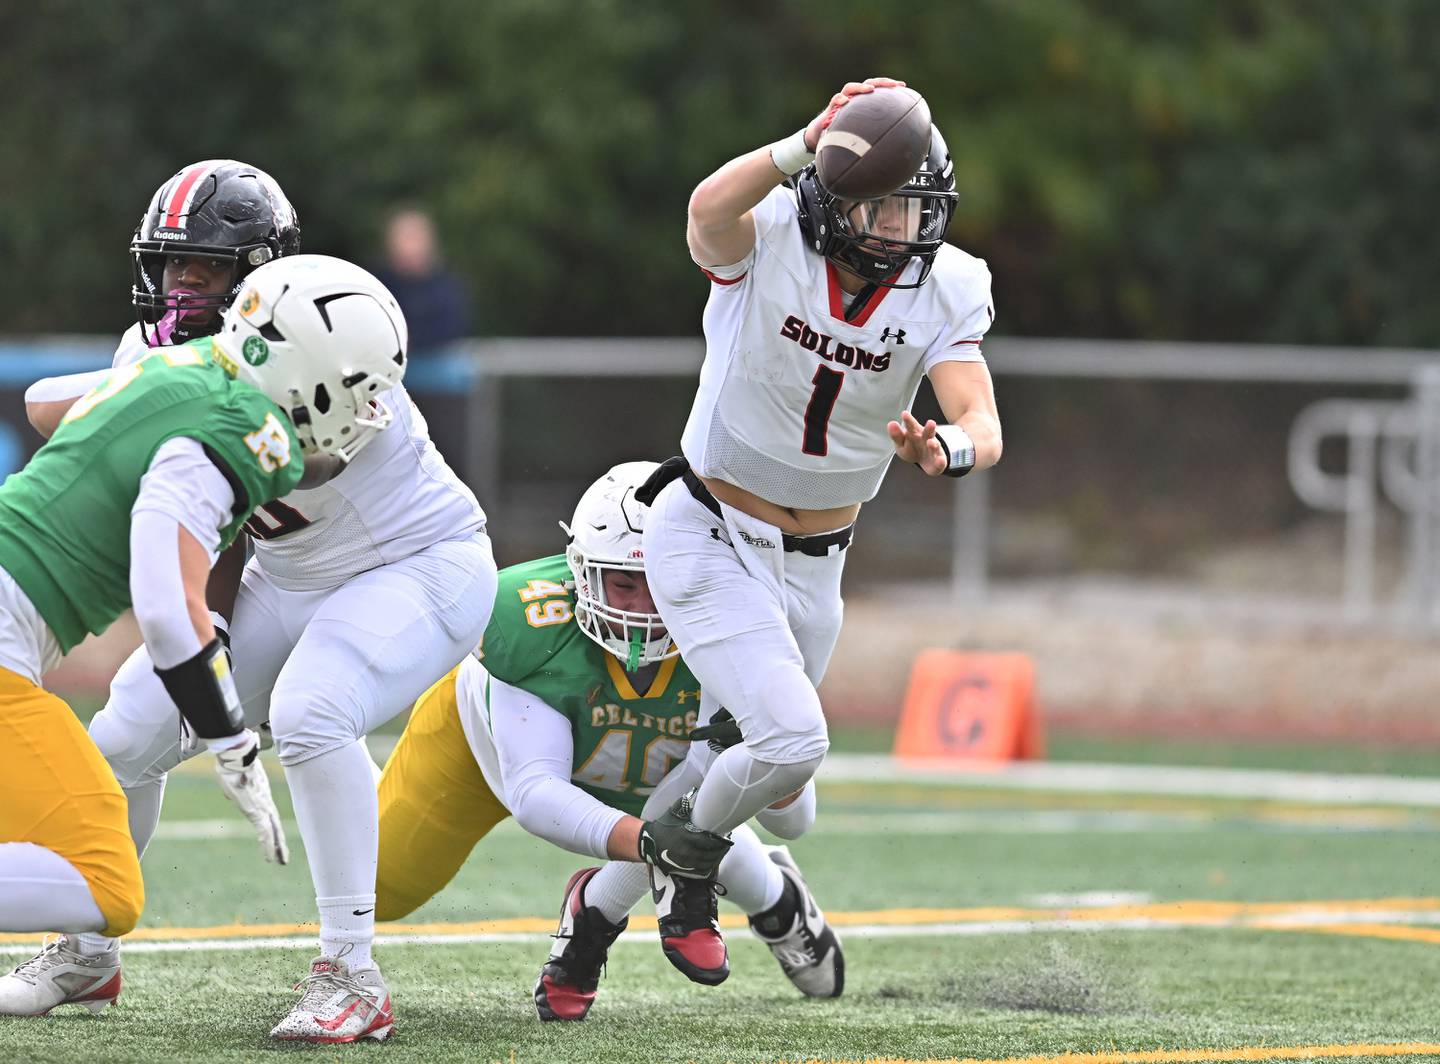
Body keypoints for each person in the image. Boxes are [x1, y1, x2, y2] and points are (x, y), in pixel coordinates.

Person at [6, 230, 496, 1043]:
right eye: (175, 265)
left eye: (210, 268)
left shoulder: (332, 355)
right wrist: (147, 381)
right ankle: (86, 952)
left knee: (313, 710)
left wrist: (164, 385)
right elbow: (71, 417)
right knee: (127, 734)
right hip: (290, 574)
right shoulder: (175, 355)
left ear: (260, 285)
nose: (186, 286)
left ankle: (353, 971)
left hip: (419, 563)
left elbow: (261, 468)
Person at [633, 77, 1004, 949]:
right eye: (880, 208)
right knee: (790, 739)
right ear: (833, 198)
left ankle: (734, 855)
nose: (899, 230)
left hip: (820, 561)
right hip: (713, 527)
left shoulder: (947, 286)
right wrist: (805, 140)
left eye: (915, 211)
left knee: (793, 807)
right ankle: (679, 874)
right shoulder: (770, 236)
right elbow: (706, 207)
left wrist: (947, 448)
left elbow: (983, 422)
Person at [372, 461, 841, 1023]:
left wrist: (774, 757)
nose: (641, 610)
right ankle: (760, 898)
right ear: (582, 572)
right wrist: (654, 846)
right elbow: (536, 791)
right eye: (623, 582)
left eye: (661, 582)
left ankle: (731, 902)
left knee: (695, 816)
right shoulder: (527, 621)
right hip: (481, 749)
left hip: (661, 765)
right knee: (383, 887)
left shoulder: (735, 622)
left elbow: (791, 818)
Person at [372, 206, 471, 355]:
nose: (410, 247)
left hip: (436, 356)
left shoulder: (446, 284)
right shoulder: (379, 284)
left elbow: (454, 326)